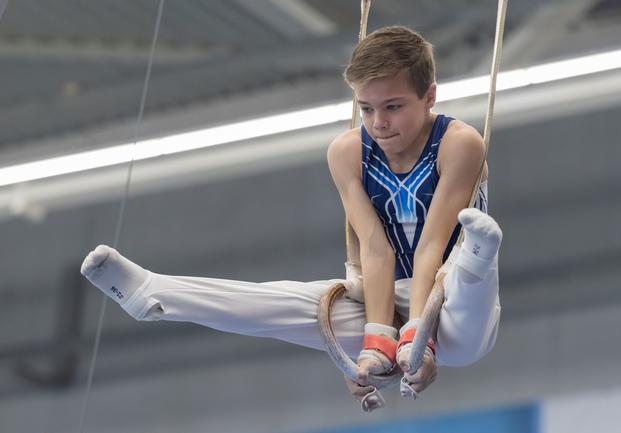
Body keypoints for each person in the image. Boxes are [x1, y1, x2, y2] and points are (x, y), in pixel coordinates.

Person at [81, 25, 502, 409]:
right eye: (366, 108)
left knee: (466, 280)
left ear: (430, 96)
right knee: (287, 301)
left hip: (449, 302)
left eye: (392, 106)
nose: (379, 123)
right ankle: (153, 294)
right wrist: (377, 339)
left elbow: (431, 244)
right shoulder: (347, 153)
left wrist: (419, 339)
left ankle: (480, 254)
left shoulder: (459, 143)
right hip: (385, 295)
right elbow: (375, 250)